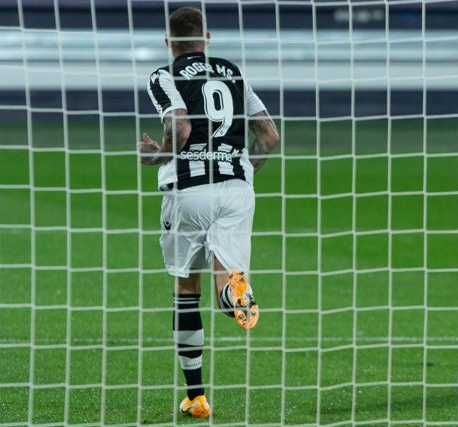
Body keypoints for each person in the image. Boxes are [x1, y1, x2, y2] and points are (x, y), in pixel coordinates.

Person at [138, 6, 280, 419]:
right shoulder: (234, 73)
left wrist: (157, 155)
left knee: (186, 287)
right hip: (237, 189)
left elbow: (180, 129)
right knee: (225, 283)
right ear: (208, 37)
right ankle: (233, 290)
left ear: (169, 42)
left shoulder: (164, 76)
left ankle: (197, 397)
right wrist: (241, 172)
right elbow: (269, 135)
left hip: (189, 189)